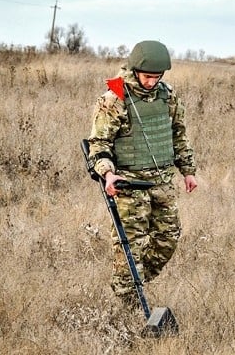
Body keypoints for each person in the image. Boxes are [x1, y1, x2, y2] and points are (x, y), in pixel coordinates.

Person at [87, 40, 198, 309]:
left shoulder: (167, 95)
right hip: (128, 183)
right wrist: (108, 174)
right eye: (148, 76)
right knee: (130, 247)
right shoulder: (114, 98)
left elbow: (178, 135)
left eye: (157, 77)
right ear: (136, 70)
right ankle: (129, 305)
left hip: (161, 182)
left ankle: (130, 285)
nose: (152, 82)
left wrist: (188, 171)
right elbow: (99, 144)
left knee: (168, 239)